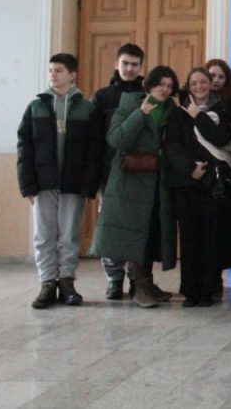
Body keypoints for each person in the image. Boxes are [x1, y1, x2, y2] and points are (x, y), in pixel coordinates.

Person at [90, 65, 180, 308]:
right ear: (149, 84)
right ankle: (137, 285)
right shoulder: (130, 103)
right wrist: (140, 114)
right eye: (160, 84)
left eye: (169, 86)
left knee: (150, 232)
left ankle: (146, 281)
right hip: (130, 178)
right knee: (133, 232)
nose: (164, 89)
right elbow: (116, 138)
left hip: (158, 179)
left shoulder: (172, 109)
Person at [18, 53, 103, 309]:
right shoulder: (36, 107)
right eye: (50, 70)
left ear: (72, 75)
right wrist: (27, 184)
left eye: (58, 70)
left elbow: (94, 150)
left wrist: (89, 185)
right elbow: (24, 147)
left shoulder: (87, 109)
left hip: (73, 184)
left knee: (69, 235)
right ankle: (47, 283)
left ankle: (66, 282)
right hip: (43, 182)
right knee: (43, 235)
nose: (53, 75)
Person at [164, 67, 231, 307]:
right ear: (188, 86)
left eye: (203, 82)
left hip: (213, 183)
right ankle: (190, 290)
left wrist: (199, 116)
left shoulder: (221, 110)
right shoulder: (177, 113)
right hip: (186, 183)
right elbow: (173, 146)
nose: (199, 87)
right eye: (194, 83)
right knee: (189, 237)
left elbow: (221, 138)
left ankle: (208, 288)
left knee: (211, 236)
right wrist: (189, 168)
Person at [91, 42, 146, 301]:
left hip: (142, 171)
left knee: (138, 226)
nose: (130, 69)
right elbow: (94, 139)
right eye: (125, 63)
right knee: (111, 225)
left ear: (141, 67)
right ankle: (114, 279)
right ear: (116, 64)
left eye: (135, 64)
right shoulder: (102, 97)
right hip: (110, 172)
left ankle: (137, 278)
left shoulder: (148, 95)